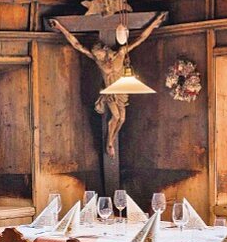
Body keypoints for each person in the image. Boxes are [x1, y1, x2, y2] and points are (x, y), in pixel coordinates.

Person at [51, 13, 167, 155]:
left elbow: (141, 39)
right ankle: (109, 143)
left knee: (122, 118)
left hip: (123, 90)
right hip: (110, 92)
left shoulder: (121, 53)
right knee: (117, 117)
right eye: (96, 56)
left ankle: (112, 139)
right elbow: (77, 45)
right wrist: (61, 27)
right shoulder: (98, 61)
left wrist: (155, 23)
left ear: (104, 51)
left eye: (98, 55)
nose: (98, 57)